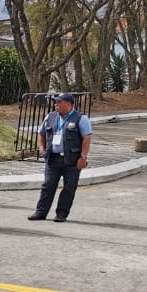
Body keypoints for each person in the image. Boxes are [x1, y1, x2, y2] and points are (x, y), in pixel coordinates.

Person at [29, 92, 93, 222]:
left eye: (59, 102)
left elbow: (86, 139)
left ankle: (61, 214)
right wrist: (42, 149)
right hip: (53, 158)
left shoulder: (81, 118)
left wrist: (83, 157)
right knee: (48, 185)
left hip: (72, 160)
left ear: (69, 104)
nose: (55, 105)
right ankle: (41, 212)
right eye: (55, 102)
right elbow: (41, 134)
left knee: (69, 187)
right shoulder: (50, 116)